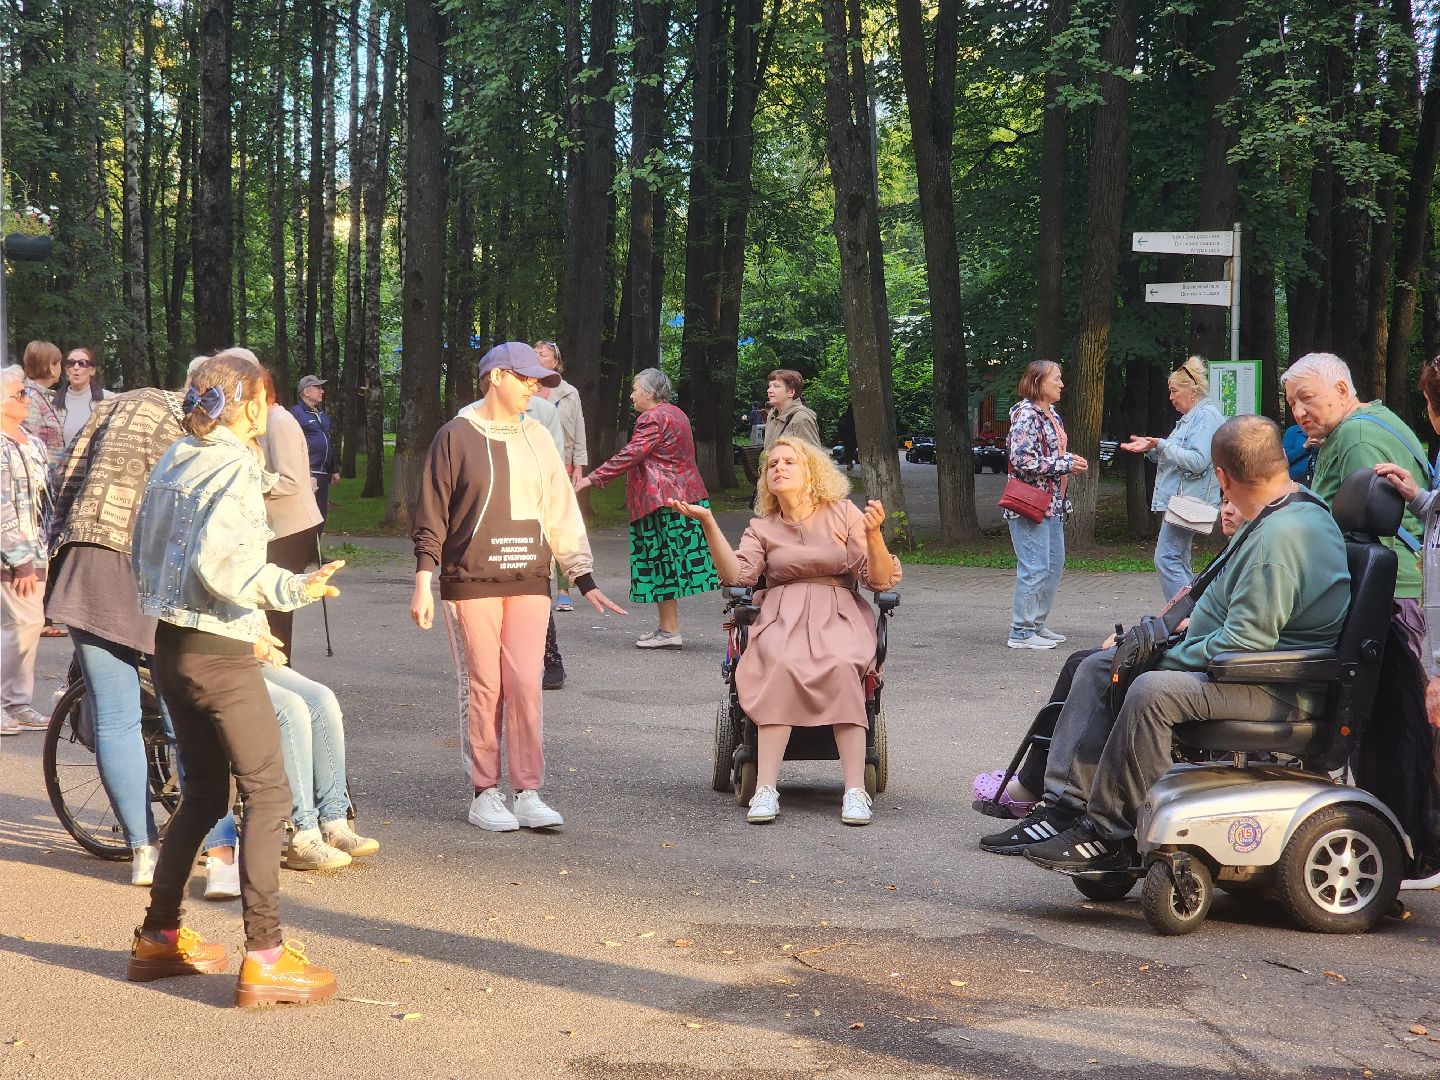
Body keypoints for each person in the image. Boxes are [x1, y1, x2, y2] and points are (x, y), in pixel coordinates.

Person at [987, 417, 1351, 874]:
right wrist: (1151, 640)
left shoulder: (1281, 538)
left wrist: (1159, 656)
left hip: (1276, 685)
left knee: (1151, 688)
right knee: (1099, 666)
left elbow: (1246, 642)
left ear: (1221, 476)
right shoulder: (1282, 510)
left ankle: (1109, 832)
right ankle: (1065, 808)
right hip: (1248, 669)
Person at [128, 349, 344, 1006]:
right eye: (267, 399)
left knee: (202, 798)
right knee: (271, 796)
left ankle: (159, 938)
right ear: (248, 400)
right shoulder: (230, 465)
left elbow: (145, 550)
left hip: (173, 646)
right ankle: (267, 956)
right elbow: (227, 569)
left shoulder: (176, 458)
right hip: (220, 652)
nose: (269, 411)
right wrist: (296, 587)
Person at [410, 342, 626, 833]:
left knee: (527, 684)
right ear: (496, 377)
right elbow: (432, 514)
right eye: (526, 379)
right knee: (484, 686)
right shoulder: (455, 436)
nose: (535, 387)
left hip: (530, 579)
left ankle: (528, 791)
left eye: (538, 381)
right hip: (469, 581)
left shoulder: (538, 437)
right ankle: (485, 792)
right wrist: (424, 579)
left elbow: (559, 509)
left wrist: (581, 573)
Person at [45, 379, 239, 893]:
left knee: (115, 716)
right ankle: (220, 858)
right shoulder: (199, 430)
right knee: (187, 713)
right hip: (149, 566)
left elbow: (61, 470)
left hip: (85, 560)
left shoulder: (118, 405)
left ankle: (143, 852)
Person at [671, 437, 901, 826]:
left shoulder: (844, 513)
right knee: (776, 660)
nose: (777, 467)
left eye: (788, 462)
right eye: (771, 464)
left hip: (839, 611)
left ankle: (855, 792)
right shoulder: (762, 528)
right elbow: (736, 576)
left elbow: (878, 580)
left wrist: (874, 534)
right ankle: (765, 787)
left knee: (844, 663)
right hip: (780, 613)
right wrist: (708, 522)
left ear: (810, 471)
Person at [974, 499, 1246, 820]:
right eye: (1224, 501)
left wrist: (1138, 642)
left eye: (1236, 503)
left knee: (1086, 666)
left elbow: (1208, 624)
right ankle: (1035, 781)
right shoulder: (1234, 551)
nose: (1227, 509)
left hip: (1202, 662)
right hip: (1184, 645)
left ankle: (1043, 787)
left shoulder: (1249, 555)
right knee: (1082, 661)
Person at [1283, 351, 1431, 659]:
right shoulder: (1364, 422)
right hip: (1392, 590)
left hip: (1387, 597)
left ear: (1340, 390)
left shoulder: (1356, 435)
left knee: (1392, 703)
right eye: (1292, 403)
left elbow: (1369, 530)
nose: (1298, 411)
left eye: (1307, 397)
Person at [575, 367, 718, 648]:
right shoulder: (677, 413)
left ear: (650, 393)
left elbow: (632, 453)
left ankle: (670, 631)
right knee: (665, 565)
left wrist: (593, 478)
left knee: (660, 564)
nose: (631, 396)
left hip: (661, 501)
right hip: (682, 497)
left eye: (635, 390)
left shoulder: (651, 418)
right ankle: (667, 628)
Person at [255, 643, 379, 871]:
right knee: (291, 708)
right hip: (217, 658)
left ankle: (335, 822)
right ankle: (304, 834)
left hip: (249, 653)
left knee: (323, 700)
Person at [1119, 356, 1225, 601]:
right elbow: (1176, 455)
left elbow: (1198, 461)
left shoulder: (1205, 417)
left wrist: (1162, 444)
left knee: (1166, 558)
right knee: (1179, 559)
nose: (1170, 397)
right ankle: (1195, 616)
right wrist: (1153, 447)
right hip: (1184, 501)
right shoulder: (1190, 420)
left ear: (1193, 392)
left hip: (1189, 501)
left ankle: (1185, 617)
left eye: (1174, 391)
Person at [1003, 361, 1087, 649]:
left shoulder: (1052, 415)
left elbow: (1051, 454)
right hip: (1029, 504)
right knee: (1035, 567)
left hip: (1052, 504)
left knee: (1053, 566)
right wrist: (1064, 463)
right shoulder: (1027, 414)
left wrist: (1069, 460)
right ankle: (1021, 632)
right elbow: (1021, 459)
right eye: (1056, 379)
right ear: (1038, 382)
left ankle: (1036, 624)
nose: (1061, 384)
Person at [258, 367, 324, 661]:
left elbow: (290, 480)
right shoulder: (268, 420)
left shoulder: (280, 421)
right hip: (277, 526)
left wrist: (247, 488)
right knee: (268, 603)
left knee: (276, 605)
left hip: (290, 529)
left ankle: (280, 670)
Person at [1, 366, 50, 736]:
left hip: (37, 550)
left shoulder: (31, 442)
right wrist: (18, 560)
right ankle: (5, 702)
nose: (27, 399)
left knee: (28, 626)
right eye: (20, 395)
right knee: (19, 625)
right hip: (14, 555)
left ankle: (18, 703)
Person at [534, 340, 588, 616]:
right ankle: (538, 584)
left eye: (543, 353)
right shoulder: (525, 389)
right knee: (535, 528)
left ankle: (564, 590)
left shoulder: (569, 393)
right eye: (535, 353)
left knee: (562, 528)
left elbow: (578, 429)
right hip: (531, 469)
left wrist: (579, 466)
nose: (538, 356)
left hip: (563, 467)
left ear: (556, 362)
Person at [291, 374, 339, 523]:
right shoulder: (296, 413)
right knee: (306, 517)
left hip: (323, 474)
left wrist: (333, 469)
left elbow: (327, 442)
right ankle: (303, 546)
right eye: (318, 388)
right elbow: (292, 444)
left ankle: (315, 546)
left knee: (320, 516)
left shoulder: (321, 414)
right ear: (306, 392)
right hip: (307, 474)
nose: (322, 391)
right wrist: (305, 471)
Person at [54, 346, 114, 449]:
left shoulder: (110, 399)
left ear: (92, 371)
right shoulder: (53, 402)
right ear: (66, 370)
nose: (76, 367)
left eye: (82, 363)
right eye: (71, 363)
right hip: (64, 463)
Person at [19, 340, 64, 466]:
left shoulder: (41, 396)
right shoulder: (30, 398)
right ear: (51, 366)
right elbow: (28, 442)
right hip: (38, 478)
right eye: (59, 363)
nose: (62, 368)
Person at [762, 369, 822, 452]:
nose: (769, 390)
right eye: (769, 386)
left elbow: (815, 457)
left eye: (776, 386)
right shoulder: (772, 415)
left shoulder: (802, 418)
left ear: (791, 392)